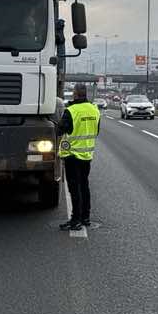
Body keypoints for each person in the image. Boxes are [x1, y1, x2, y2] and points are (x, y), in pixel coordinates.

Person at [57, 83, 100, 229]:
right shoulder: (94, 110)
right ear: (85, 93)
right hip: (87, 155)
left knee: (74, 188)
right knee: (84, 186)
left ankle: (75, 220)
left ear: (75, 94)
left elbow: (60, 130)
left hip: (72, 155)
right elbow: (96, 131)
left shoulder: (71, 110)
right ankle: (85, 217)